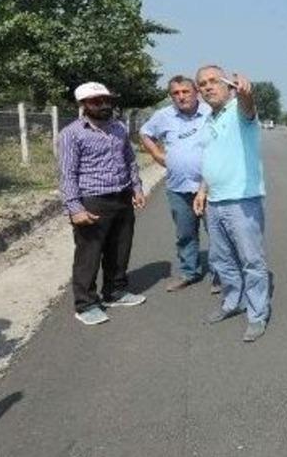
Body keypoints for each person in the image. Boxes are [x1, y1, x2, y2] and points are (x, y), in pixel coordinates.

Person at [57, 82, 147, 326]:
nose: (104, 105)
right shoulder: (72, 134)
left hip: (121, 197)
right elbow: (67, 174)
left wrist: (137, 187)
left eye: (106, 100)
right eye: (96, 101)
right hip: (92, 200)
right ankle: (85, 304)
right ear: (84, 105)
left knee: (120, 249)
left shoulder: (119, 128)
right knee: (89, 254)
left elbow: (129, 160)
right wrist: (75, 209)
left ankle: (115, 292)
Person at [192, 66, 271, 343]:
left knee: (251, 260)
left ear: (227, 85)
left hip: (242, 201)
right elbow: (210, 160)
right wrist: (202, 191)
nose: (208, 87)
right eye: (202, 84)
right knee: (220, 259)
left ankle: (257, 314)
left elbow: (249, 106)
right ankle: (231, 302)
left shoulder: (240, 110)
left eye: (214, 81)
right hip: (215, 201)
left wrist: (247, 94)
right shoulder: (208, 119)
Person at [139, 75, 218, 293]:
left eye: (186, 91)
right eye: (176, 93)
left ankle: (221, 275)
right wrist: (156, 154)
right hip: (178, 187)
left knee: (217, 233)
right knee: (185, 234)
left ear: (196, 93)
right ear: (171, 96)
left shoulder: (211, 112)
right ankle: (189, 272)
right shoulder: (163, 116)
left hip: (212, 186)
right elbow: (145, 133)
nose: (181, 96)